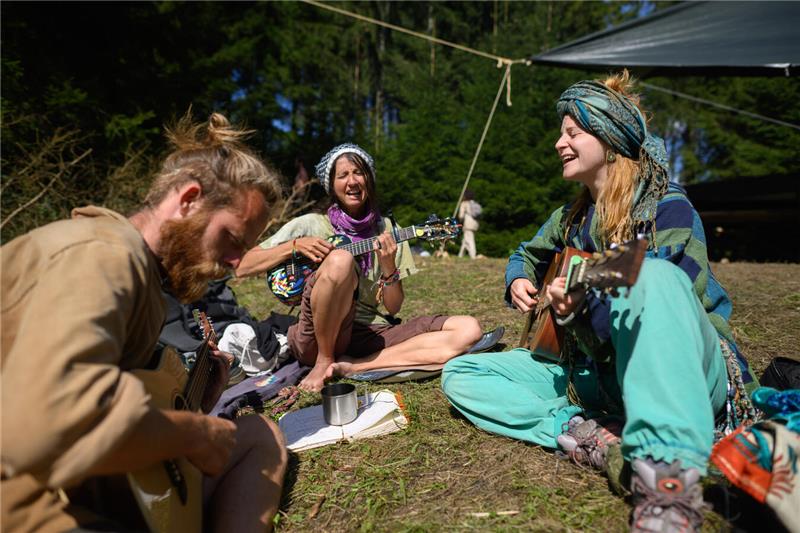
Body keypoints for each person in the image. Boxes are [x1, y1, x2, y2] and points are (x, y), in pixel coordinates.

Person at [441, 72, 758, 532]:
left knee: (657, 276)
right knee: (461, 372)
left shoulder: (667, 209)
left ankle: (665, 483)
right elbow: (524, 254)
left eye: (572, 132)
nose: (558, 143)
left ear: (609, 140)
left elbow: (673, 313)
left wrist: (583, 308)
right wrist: (518, 281)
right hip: (590, 373)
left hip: (685, 368)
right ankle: (583, 432)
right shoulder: (570, 217)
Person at [1, 113, 288, 532]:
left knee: (261, 434)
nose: (236, 263)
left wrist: (194, 405)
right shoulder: (104, 255)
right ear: (189, 200)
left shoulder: (146, 281)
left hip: (87, 484)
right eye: (231, 239)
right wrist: (193, 433)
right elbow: (54, 419)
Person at [237, 143, 483, 392]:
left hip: (369, 333)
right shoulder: (311, 225)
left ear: (369, 179)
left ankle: (354, 366)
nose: (352, 181)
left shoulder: (388, 230)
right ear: (331, 185)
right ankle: (324, 360)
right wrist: (295, 245)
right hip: (316, 334)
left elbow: (394, 306)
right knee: (341, 260)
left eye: (358, 173)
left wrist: (389, 268)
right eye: (342, 175)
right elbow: (244, 266)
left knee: (468, 330)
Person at [457, 189, 481, 259]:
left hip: (468, 223)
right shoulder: (474, 203)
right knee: (465, 240)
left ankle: (473, 256)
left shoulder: (464, 203)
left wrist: (460, 220)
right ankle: (460, 255)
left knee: (470, 240)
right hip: (475, 223)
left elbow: (461, 216)